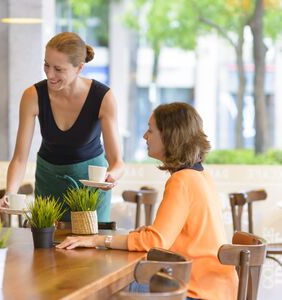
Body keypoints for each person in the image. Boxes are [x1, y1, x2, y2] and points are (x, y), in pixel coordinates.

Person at [56, 102, 238, 300]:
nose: (145, 136)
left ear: (170, 136)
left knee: (106, 290)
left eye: (150, 130)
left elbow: (155, 241)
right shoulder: (200, 176)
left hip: (196, 290)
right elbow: (173, 236)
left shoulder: (183, 180)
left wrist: (96, 240)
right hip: (215, 287)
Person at [0, 32, 124, 221]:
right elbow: (20, 158)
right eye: (46, 64)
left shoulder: (103, 97)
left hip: (91, 188)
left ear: (79, 68)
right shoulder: (33, 96)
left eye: (58, 69)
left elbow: (117, 162)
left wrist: (111, 176)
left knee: (90, 246)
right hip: (49, 182)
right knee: (46, 246)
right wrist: (10, 193)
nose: (49, 74)